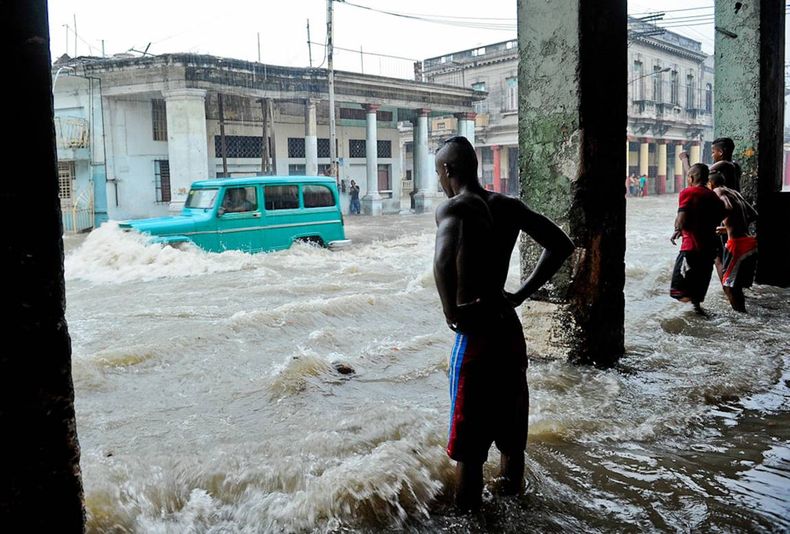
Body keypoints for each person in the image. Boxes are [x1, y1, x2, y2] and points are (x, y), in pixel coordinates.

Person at [433, 136, 574, 511]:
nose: (439, 181)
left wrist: (452, 314)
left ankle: (470, 519)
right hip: (508, 327)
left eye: (438, 173)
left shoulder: (455, 208)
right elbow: (561, 244)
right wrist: (520, 294)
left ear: (447, 170)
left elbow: (443, 263)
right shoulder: (508, 206)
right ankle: (516, 508)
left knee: (469, 449)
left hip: (475, 332)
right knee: (512, 436)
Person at [670, 163, 726, 314]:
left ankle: (687, 316)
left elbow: (681, 220)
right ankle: (696, 313)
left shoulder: (688, 192)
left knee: (678, 290)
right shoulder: (712, 195)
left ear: (692, 177)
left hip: (691, 248)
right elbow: (723, 213)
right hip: (709, 250)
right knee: (697, 290)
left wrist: (678, 229)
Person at [708, 162, 758, 312]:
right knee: (734, 285)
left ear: (710, 183)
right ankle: (742, 315)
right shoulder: (734, 192)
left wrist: (711, 224)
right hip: (750, 241)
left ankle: (742, 318)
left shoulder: (717, 192)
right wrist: (728, 228)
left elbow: (728, 207)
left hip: (737, 245)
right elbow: (754, 215)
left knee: (728, 286)